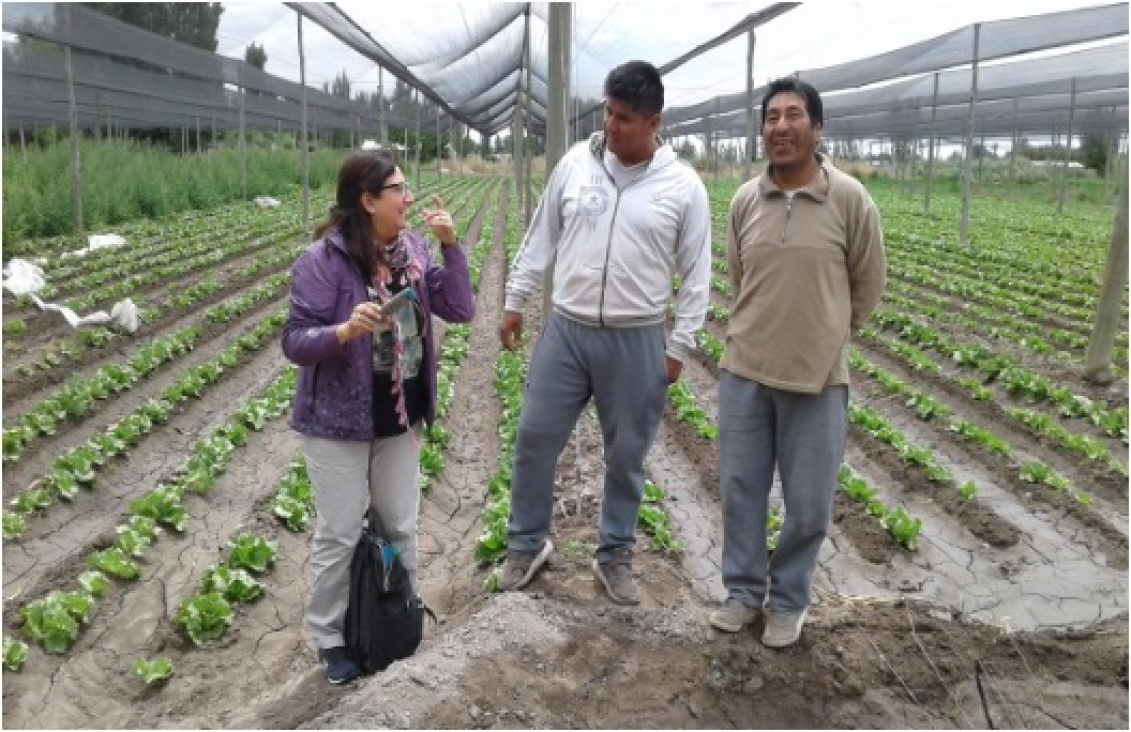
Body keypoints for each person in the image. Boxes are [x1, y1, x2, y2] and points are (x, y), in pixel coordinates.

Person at [496, 60, 712, 605]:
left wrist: (678, 348)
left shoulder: (683, 187)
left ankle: (614, 554)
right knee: (534, 438)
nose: (611, 127)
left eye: (624, 118)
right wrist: (515, 300)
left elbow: (697, 274)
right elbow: (540, 234)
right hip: (566, 330)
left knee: (627, 456)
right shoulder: (575, 164)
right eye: (608, 113)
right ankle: (526, 543)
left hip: (636, 338)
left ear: (653, 122)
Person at [281, 149, 475, 684]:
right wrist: (342, 332)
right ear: (368, 201)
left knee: (400, 526)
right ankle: (330, 639)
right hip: (339, 422)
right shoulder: (322, 261)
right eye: (398, 189)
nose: (408, 198)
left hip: (398, 415)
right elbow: (294, 341)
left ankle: (398, 617)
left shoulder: (412, 249)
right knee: (340, 534)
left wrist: (451, 246)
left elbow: (459, 308)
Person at [708, 78, 886, 647]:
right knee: (740, 490)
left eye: (794, 115)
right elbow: (740, 279)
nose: (780, 126)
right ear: (762, 130)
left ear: (817, 128)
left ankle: (788, 601)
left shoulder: (850, 200)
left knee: (808, 502)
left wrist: (833, 335)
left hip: (817, 378)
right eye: (771, 117)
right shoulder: (744, 200)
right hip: (745, 371)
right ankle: (741, 592)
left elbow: (868, 282)